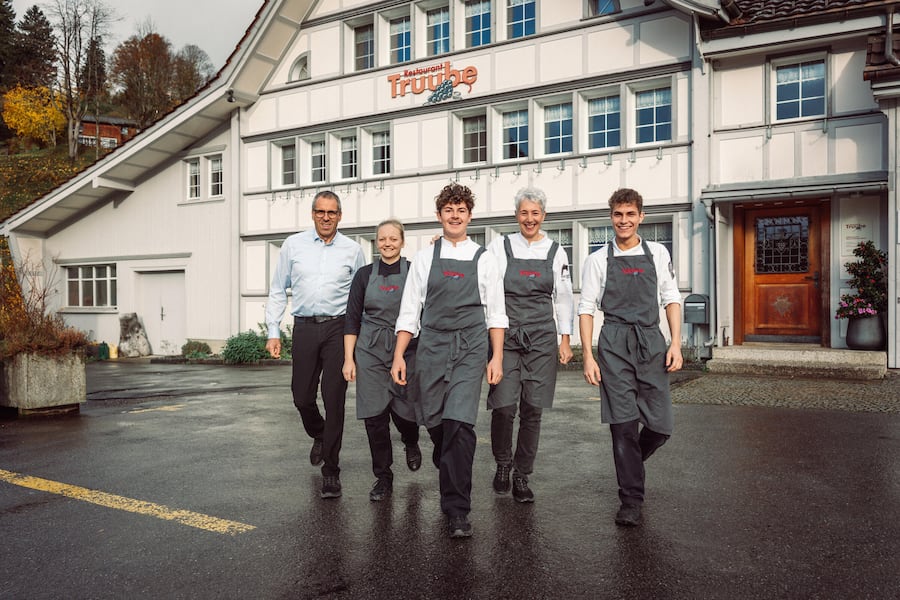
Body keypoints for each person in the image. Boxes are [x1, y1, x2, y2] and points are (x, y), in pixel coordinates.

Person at [391, 183, 507, 539]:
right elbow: (411, 308)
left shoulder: (485, 258)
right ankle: (444, 453)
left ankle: (458, 509)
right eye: (449, 210)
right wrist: (399, 354)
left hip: (471, 347)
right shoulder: (425, 258)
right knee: (435, 421)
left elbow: (496, 314)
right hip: (432, 346)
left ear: (470, 215)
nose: (455, 216)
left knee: (460, 423)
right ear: (439, 215)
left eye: (461, 210)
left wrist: (496, 357)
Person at [578, 187, 682, 527]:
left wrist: (676, 343)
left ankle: (631, 462)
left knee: (661, 425)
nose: (624, 221)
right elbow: (587, 308)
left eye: (630, 214)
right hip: (614, 344)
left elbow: (670, 298)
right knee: (622, 425)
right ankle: (630, 500)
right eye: (618, 215)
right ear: (611, 218)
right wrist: (588, 356)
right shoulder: (596, 260)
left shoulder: (657, 253)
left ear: (641, 217)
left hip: (651, 342)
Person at [265, 190, 365, 500]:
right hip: (305, 328)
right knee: (301, 397)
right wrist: (273, 330)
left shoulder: (353, 250)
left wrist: (359, 340)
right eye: (320, 212)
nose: (326, 217)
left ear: (340, 216)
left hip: (338, 329)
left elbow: (359, 297)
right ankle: (319, 433)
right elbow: (278, 289)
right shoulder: (293, 245)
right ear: (312, 214)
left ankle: (331, 471)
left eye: (331, 212)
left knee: (334, 399)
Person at [486, 187, 574, 503]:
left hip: (541, 337)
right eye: (524, 213)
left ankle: (522, 475)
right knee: (504, 406)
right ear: (516, 216)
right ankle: (502, 463)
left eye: (535, 213)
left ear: (543, 216)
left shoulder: (556, 251)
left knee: (533, 409)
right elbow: (486, 283)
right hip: (507, 335)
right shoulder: (501, 245)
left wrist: (566, 339)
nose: (529, 219)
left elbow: (563, 296)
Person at [343, 219, 423, 502]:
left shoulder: (414, 271)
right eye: (382, 239)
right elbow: (352, 318)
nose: (387, 244)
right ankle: (383, 476)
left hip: (407, 348)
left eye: (393, 239)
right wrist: (348, 359)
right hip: (370, 349)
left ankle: (411, 441)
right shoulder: (364, 275)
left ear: (402, 241)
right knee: (374, 417)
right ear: (376, 243)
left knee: (405, 412)